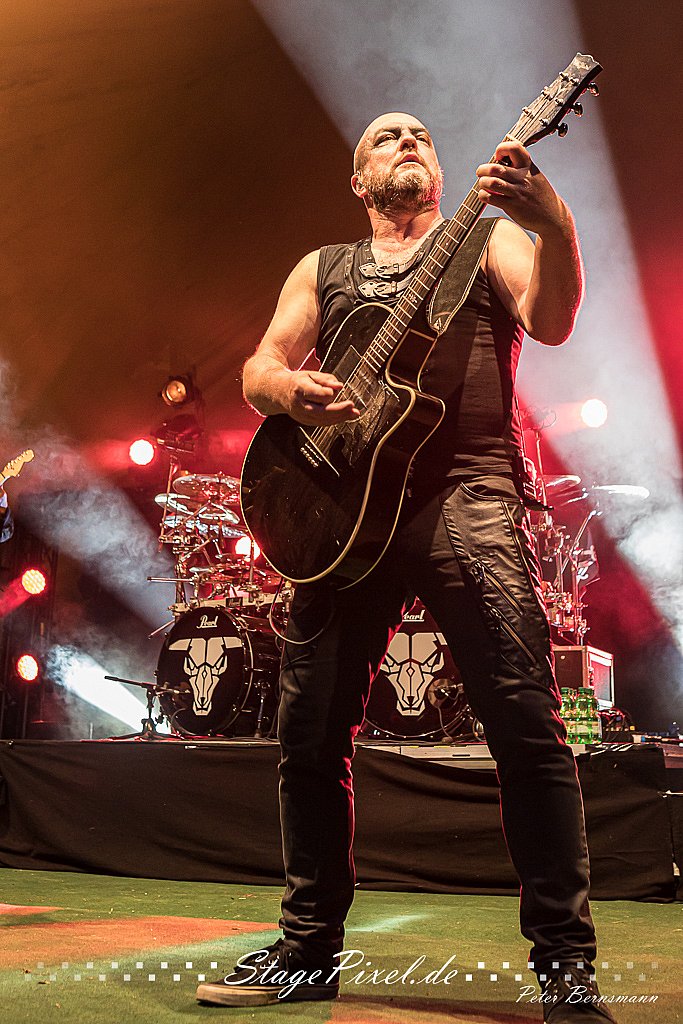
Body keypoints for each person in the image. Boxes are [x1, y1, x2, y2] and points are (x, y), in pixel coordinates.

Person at [197, 113, 617, 1022]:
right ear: (359, 180)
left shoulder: (487, 240)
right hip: (343, 511)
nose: (408, 140)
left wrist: (552, 223)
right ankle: (306, 952)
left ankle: (565, 970)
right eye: (386, 137)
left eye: (419, 134)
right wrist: (289, 390)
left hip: (466, 492)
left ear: (438, 171)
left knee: (526, 729)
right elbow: (261, 366)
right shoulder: (324, 267)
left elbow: (551, 321)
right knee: (308, 736)